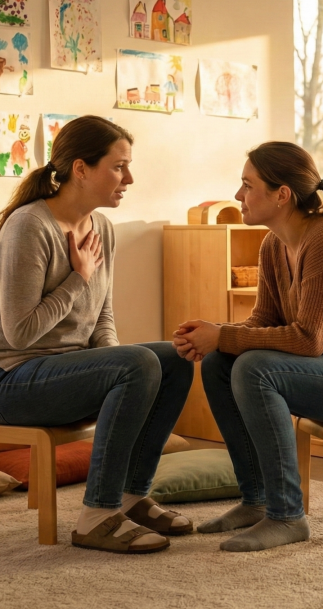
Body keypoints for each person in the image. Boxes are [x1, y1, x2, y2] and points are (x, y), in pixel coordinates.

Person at [172, 142, 323, 552]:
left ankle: (287, 516)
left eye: (248, 186)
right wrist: (216, 335)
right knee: (220, 361)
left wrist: (224, 334)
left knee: (253, 367)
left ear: (282, 194)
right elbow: (263, 323)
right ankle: (258, 501)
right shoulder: (273, 245)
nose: (238, 196)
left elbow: (309, 339)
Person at [0, 115, 194, 554]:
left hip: (68, 376)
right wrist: (78, 279)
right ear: (81, 169)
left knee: (175, 355)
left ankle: (130, 496)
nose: (129, 178)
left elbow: (102, 318)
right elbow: (20, 333)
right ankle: (96, 515)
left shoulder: (101, 227)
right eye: (119, 166)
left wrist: (121, 370)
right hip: (17, 380)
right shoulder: (29, 226)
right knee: (140, 361)